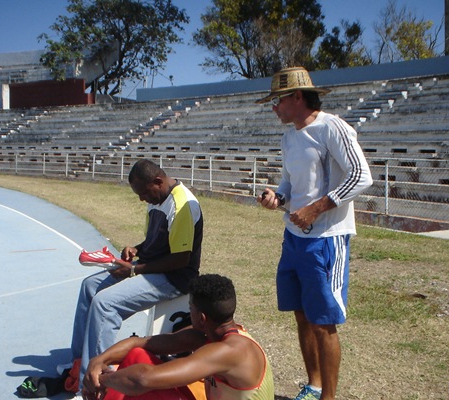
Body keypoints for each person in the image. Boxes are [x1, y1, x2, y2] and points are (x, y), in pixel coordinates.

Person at [255, 67, 373, 400]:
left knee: (323, 322)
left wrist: (316, 208)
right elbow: (291, 182)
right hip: (294, 239)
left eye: (277, 101)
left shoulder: (331, 127)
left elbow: (361, 177)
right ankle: (314, 384)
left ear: (297, 97)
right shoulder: (289, 136)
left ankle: (329, 397)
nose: (274, 108)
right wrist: (278, 196)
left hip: (326, 239)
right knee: (302, 314)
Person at [69, 159, 204, 387]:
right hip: (151, 267)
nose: (142, 199)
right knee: (89, 286)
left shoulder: (182, 205)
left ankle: (96, 382)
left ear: (158, 181)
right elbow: (156, 242)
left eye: (143, 193)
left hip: (175, 278)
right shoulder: (157, 197)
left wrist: (133, 269)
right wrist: (137, 249)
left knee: (105, 304)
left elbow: (181, 259)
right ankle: (80, 362)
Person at [82, 274, 274, 400]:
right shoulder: (210, 334)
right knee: (138, 355)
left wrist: (103, 380)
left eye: (190, 308)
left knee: (136, 380)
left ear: (201, 317)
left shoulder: (230, 351)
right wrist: (99, 361)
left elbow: (143, 379)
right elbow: (140, 342)